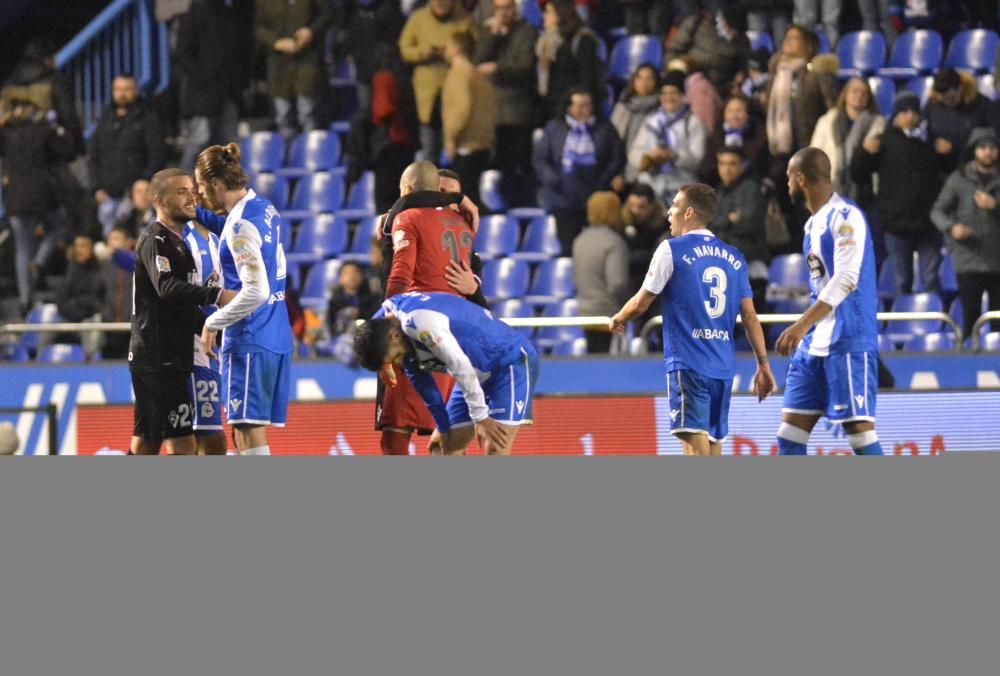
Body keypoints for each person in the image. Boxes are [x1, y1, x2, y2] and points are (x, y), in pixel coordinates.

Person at [610, 183, 775, 455]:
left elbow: (640, 303)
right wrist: (763, 363)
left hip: (689, 363)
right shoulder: (734, 258)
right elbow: (749, 316)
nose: (668, 213)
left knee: (694, 449)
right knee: (711, 446)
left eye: (673, 206)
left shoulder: (671, 250)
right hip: (722, 367)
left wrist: (618, 317)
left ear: (688, 213)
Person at [774, 148, 883, 456]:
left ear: (801, 178)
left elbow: (846, 279)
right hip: (814, 343)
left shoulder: (846, 217)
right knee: (789, 434)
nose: (787, 185)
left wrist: (801, 323)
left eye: (788, 178)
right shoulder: (812, 224)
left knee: (859, 433)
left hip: (847, 337)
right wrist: (807, 329)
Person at [193, 144, 294, 456]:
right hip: (274, 332)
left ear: (217, 185)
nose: (198, 193)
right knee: (245, 431)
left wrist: (213, 322)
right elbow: (235, 235)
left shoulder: (239, 226)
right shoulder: (262, 207)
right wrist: (194, 213)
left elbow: (256, 290)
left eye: (200, 185)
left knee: (247, 433)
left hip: (250, 336)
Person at [128, 168, 234, 455]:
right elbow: (167, 288)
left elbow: (185, 308)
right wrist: (218, 295)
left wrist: (216, 330)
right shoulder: (156, 239)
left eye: (191, 190)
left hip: (173, 357)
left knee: (163, 442)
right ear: (159, 201)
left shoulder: (178, 245)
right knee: (165, 443)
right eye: (181, 192)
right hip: (155, 355)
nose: (192, 197)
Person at [356, 291, 539, 455]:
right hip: (474, 374)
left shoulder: (418, 323)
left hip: (508, 363)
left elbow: (460, 366)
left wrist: (481, 417)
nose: (398, 362)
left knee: (495, 448)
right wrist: (442, 427)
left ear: (394, 336)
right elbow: (427, 389)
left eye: (395, 356)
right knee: (443, 446)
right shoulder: (395, 331)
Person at [850, 90, 943, 296]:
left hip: (929, 224)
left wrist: (948, 153)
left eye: (913, 111)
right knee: (901, 282)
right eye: (904, 111)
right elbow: (858, 174)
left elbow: (949, 171)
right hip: (896, 225)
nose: (909, 116)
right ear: (896, 115)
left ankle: (937, 323)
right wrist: (864, 153)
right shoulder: (883, 141)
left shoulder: (932, 141)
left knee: (931, 281)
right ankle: (904, 323)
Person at [0, 95, 77, 314]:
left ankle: (25, 300)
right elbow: (67, 151)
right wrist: (57, 129)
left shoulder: (6, 134)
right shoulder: (44, 131)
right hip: (42, 194)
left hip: (15, 197)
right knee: (58, 225)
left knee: (22, 250)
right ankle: (41, 262)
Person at [533, 90, 624, 255]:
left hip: (596, 196)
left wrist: (602, 181)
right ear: (568, 107)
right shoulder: (554, 128)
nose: (582, 109)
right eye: (578, 105)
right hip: (563, 197)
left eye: (587, 105)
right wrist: (555, 181)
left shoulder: (606, 128)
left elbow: (616, 158)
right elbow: (540, 160)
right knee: (567, 247)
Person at [931, 128, 1000, 340]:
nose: (988, 152)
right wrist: (952, 228)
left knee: (998, 319)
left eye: (992, 148)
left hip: (997, 259)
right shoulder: (958, 179)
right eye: (982, 147)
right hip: (968, 259)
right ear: (974, 151)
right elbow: (937, 211)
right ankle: (969, 363)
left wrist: (995, 205)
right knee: (971, 316)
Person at [175, 0, 254, 172]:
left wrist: (242, 83)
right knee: (199, 141)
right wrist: (202, 76)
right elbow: (182, 53)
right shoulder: (196, 12)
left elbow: (242, 50)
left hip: (229, 91)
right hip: (204, 93)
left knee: (228, 147)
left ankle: (225, 193)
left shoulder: (234, 12)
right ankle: (182, 190)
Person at [473, 0, 537, 207]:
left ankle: (522, 206)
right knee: (497, 162)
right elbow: (478, 61)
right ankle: (501, 204)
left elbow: (525, 65)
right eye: (499, 8)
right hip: (494, 110)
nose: (504, 13)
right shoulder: (488, 31)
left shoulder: (527, 31)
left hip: (518, 110)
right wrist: (492, 37)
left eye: (507, 7)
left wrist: (497, 68)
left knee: (518, 163)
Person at [397, 0, 473, 164]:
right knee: (429, 148)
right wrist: (421, 53)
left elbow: (475, 46)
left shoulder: (464, 20)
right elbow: (404, 48)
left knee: (456, 150)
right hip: (427, 94)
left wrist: (453, 54)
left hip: (455, 91)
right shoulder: (418, 19)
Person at [88, 74, 165, 235]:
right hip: (108, 194)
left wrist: (145, 181)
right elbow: (94, 154)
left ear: (136, 90)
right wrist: (96, 187)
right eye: (118, 89)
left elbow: (157, 153)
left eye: (127, 89)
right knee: (112, 241)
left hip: (137, 197)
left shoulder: (148, 116)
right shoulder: (106, 116)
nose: (122, 94)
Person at [254, 0, 333, 139]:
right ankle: (288, 153)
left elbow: (328, 14)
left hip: (308, 60)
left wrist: (311, 31)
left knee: (308, 113)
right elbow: (257, 27)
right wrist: (275, 42)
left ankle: (310, 154)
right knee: (283, 115)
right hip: (278, 65)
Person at [628, 70, 707, 205]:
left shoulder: (693, 122)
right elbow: (633, 152)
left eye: (674, 93)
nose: (668, 97)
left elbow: (697, 159)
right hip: (650, 186)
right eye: (664, 93)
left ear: (683, 95)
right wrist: (649, 157)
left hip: (681, 186)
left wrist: (673, 156)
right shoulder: (651, 120)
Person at [183, 218, 228, 455]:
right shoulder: (183, 240)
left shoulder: (220, 238)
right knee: (207, 437)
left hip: (215, 350)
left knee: (205, 437)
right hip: (194, 349)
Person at [710, 147, 770, 311]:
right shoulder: (719, 192)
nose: (726, 169)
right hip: (722, 264)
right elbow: (710, 225)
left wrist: (722, 223)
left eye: (732, 164)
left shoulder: (751, 188)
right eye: (722, 163)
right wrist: (728, 219)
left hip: (749, 264)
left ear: (743, 166)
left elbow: (747, 224)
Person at [441, 31, 496, 209]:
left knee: (463, 201)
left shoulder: (458, 74)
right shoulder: (478, 75)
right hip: (482, 142)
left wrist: (451, 137)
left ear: (457, 48)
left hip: (467, 143)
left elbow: (461, 108)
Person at [810, 77, 884, 206]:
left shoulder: (878, 125)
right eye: (855, 91)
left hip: (865, 192)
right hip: (830, 188)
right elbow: (814, 155)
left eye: (864, 93)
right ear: (845, 94)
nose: (859, 96)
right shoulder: (827, 121)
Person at [573, 191, 629, 354]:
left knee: (593, 353)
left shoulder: (580, 240)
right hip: (607, 311)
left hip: (584, 309)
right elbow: (617, 283)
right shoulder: (614, 242)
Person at [99, 225, 137, 359]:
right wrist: (104, 313)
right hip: (108, 327)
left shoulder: (139, 266)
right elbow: (98, 294)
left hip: (133, 328)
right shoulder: (102, 267)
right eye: (110, 239)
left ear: (129, 242)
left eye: (116, 239)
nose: (112, 243)